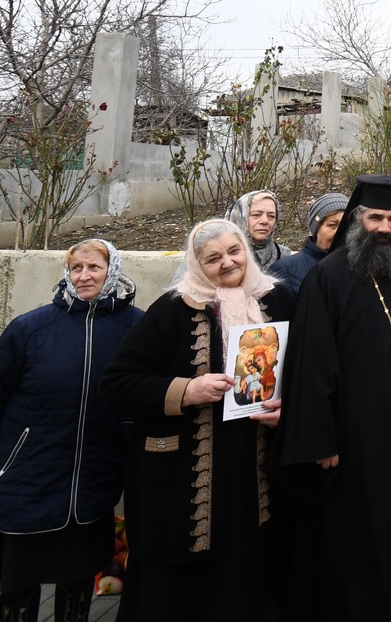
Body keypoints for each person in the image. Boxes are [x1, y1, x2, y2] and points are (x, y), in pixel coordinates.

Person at [274, 176, 391, 620]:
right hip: (354, 440)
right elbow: (310, 365)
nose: (385, 228)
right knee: (361, 534)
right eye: (375, 217)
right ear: (358, 219)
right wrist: (320, 440)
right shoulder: (328, 277)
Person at [101, 220, 295, 619]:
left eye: (234, 251)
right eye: (213, 258)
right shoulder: (173, 309)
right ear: (196, 263)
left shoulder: (278, 300)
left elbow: (307, 369)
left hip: (254, 474)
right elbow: (117, 384)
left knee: (252, 569)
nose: (228, 263)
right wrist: (186, 391)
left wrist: (287, 410)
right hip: (187, 478)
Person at [0, 239, 141, 622]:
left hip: (92, 481)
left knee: (77, 577)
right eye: (76, 268)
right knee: (19, 580)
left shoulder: (134, 327)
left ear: (113, 269)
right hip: (29, 479)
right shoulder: (30, 328)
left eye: (94, 267)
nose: (84, 275)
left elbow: (140, 394)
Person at [272, 192, 348, 296]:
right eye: (332, 225)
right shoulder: (285, 271)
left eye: (346, 226)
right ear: (316, 230)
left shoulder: (362, 267)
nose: (339, 232)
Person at [227, 188, 290, 271]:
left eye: (271, 216)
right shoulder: (223, 258)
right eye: (256, 215)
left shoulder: (284, 255)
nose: (265, 221)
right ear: (240, 217)